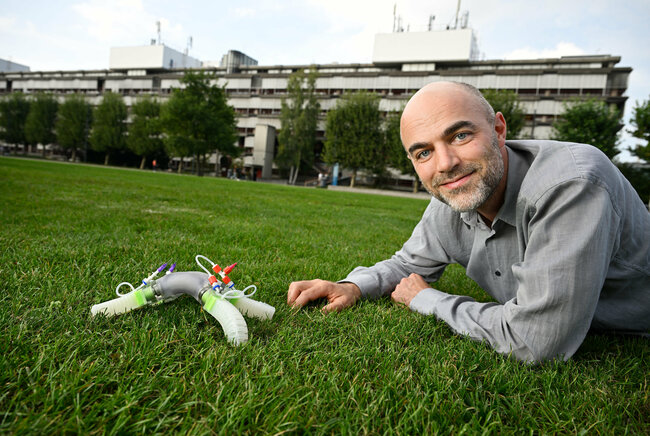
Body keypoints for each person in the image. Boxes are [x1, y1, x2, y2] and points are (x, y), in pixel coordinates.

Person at [287, 81, 650, 363]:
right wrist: (352, 286)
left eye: (460, 136)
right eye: (423, 152)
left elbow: (536, 340)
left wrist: (429, 300)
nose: (444, 164)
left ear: (498, 129)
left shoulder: (572, 183)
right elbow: (408, 264)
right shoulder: (453, 194)